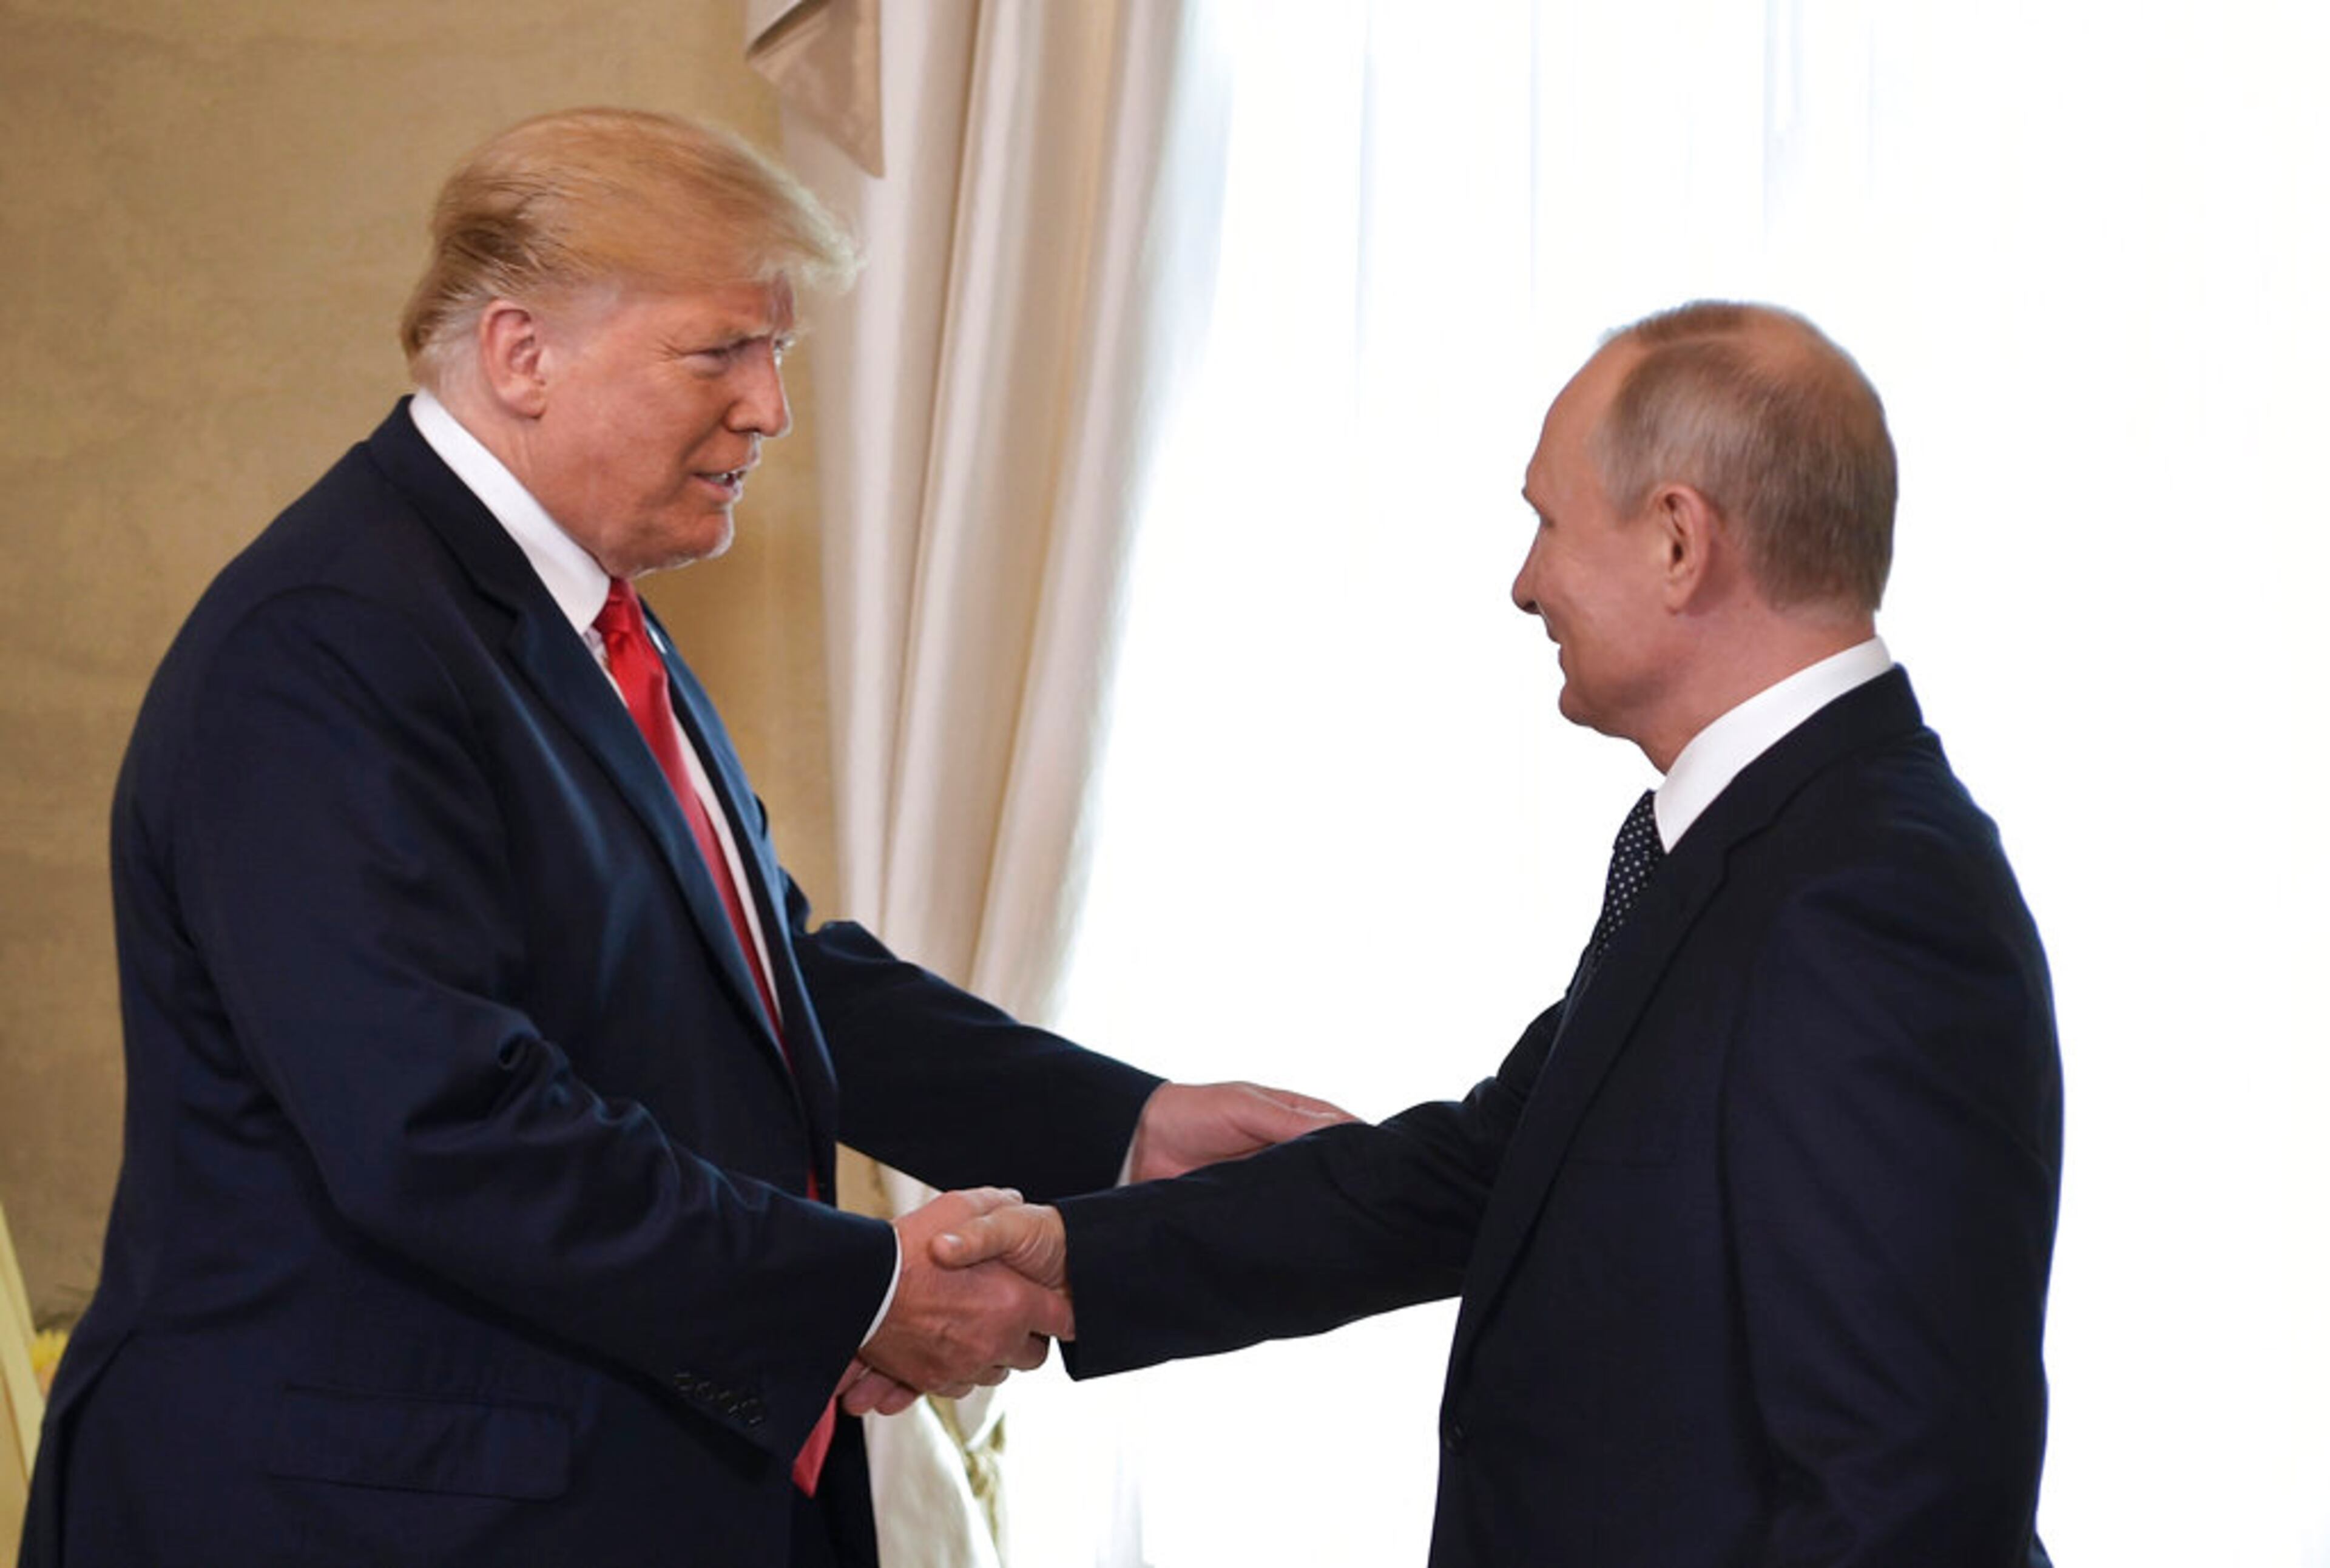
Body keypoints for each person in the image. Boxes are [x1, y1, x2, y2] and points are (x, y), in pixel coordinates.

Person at [21, 107, 1342, 1568]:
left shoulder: (577, 616)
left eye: (779, 354)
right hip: (368, 1511)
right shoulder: (327, 644)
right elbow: (445, 1128)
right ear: (522, 354)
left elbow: (764, 978)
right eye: (722, 351)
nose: (771, 409)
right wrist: (856, 1286)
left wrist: (1122, 1125)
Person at [936, 302, 2064, 1566]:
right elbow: (1485, 1170)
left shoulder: (1869, 899)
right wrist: (1074, 1259)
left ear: (1680, 539)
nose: (1525, 583)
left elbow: (1909, 1495)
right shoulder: (1771, 837)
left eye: (1548, 521)